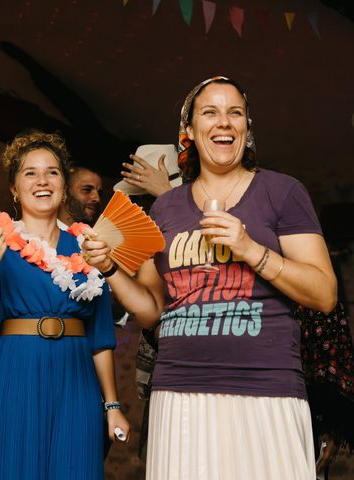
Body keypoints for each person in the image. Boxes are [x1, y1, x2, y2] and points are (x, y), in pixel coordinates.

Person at [82, 76, 337, 479]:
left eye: (235, 113)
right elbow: (153, 312)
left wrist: (251, 249)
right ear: (189, 131)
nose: (224, 122)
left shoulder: (282, 192)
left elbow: (323, 293)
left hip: (266, 389)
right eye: (210, 112)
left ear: (246, 129)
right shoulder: (165, 208)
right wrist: (110, 268)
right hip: (179, 392)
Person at [0, 130, 130, 479]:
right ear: (14, 188)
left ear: (64, 184)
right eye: (30, 172)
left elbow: (100, 337)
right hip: (16, 370)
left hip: (77, 376)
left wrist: (112, 405)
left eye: (52, 172)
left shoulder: (88, 245)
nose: (42, 180)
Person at [57, 164, 103, 228]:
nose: (97, 198)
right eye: (87, 190)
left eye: (100, 194)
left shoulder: (95, 237)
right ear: (64, 192)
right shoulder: (43, 234)